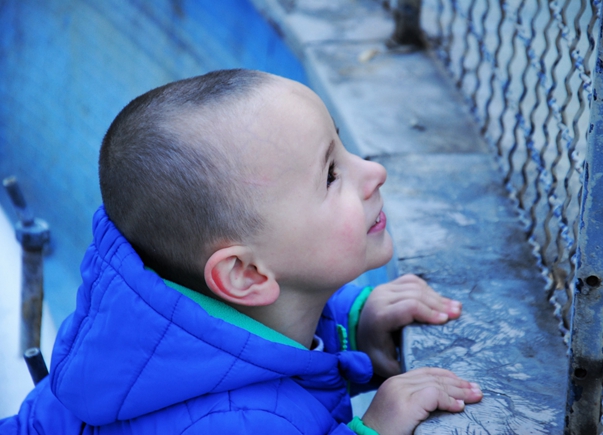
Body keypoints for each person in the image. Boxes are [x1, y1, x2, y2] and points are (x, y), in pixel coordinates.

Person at [0, 69, 482, 435]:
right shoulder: (240, 422)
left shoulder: (153, 310)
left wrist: (352, 326)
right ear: (245, 273)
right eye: (332, 175)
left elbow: (243, 333)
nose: (372, 171)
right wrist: (373, 428)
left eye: (342, 145)